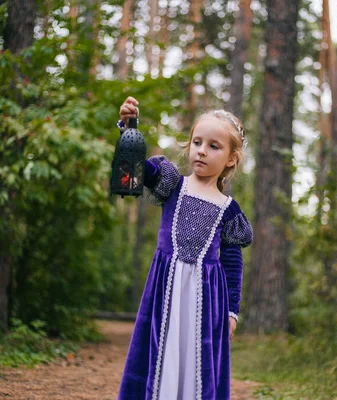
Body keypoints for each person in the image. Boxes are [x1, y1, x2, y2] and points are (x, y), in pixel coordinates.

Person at [117, 96, 253, 400]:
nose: (202, 151)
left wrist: (232, 311)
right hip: (166, 289)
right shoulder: (172, 184)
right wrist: (129, 128)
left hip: (206, 299)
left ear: (231, 158)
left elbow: (232, 262)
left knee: (196, 362)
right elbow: (139, 170)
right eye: (197, 142)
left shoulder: (229, 210)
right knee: (162, 353)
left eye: (214, 146)